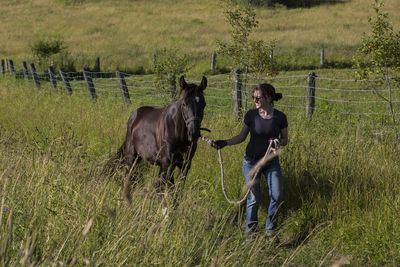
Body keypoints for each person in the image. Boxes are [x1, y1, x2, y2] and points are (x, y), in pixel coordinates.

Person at [212, 83, 288, 241]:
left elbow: (285, 139)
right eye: (253, 97)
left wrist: (278, 142)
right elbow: (241, 137)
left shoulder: (280, 117)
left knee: (277, 194)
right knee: (254, 197)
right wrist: (224, 143)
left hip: (271, 162)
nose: (255, 100)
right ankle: (251, 233)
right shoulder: (251, 115)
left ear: (268, 97)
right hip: (251, 162)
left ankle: (270, 231)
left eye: (258, 97)